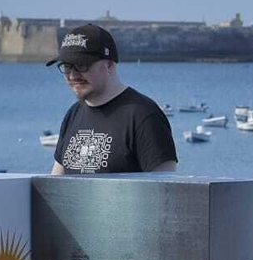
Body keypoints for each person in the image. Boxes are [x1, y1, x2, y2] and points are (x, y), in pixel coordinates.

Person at [47, 24, 177, 174]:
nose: (72, 76)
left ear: (109, 65)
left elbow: (165, 189)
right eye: (67, 66)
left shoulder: (144, 116)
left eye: (81, 65)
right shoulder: (73, 114)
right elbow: (55, 184)